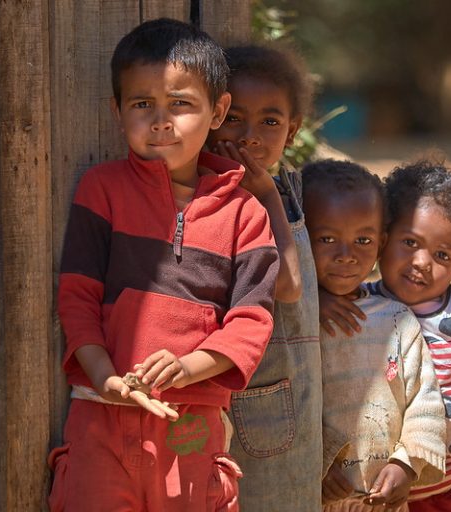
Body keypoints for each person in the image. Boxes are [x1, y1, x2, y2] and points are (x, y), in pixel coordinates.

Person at [49, 19, 279, 512]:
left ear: (218, 111)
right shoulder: (102, 190)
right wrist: (105, 376)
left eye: (181, 103)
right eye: (141, 104)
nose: (161, 121)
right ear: (117, 110)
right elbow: (77, 297)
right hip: (100, 420)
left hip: (191, 426)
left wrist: (186, 368)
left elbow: (251, 322)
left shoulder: (245, 214)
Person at [320, 159, 451, 512]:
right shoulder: (359, 304)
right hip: (413, 489)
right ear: (382, 240)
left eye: (442, 255)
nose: (422, 261)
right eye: (409, 242)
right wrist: (323, 299)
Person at [205, 44, 323, 511]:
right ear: (214, 116)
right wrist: (265, 197)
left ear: (292, 131)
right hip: (253, 411)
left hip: (298, 395)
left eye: (271, 122)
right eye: (236, 118)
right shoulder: (228, 198)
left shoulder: (291, 187)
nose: (251, 136)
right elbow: (287, 286)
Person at [302, 159, 447, 512]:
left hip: (381, 502)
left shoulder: (396, 321)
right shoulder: (291, 324)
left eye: (362, 240)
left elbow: (424, 400)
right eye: (326, 239)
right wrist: (314, 465)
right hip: (309, 496)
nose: (347, 255)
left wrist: (406, 464)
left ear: (381, 243)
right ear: (300, 237)